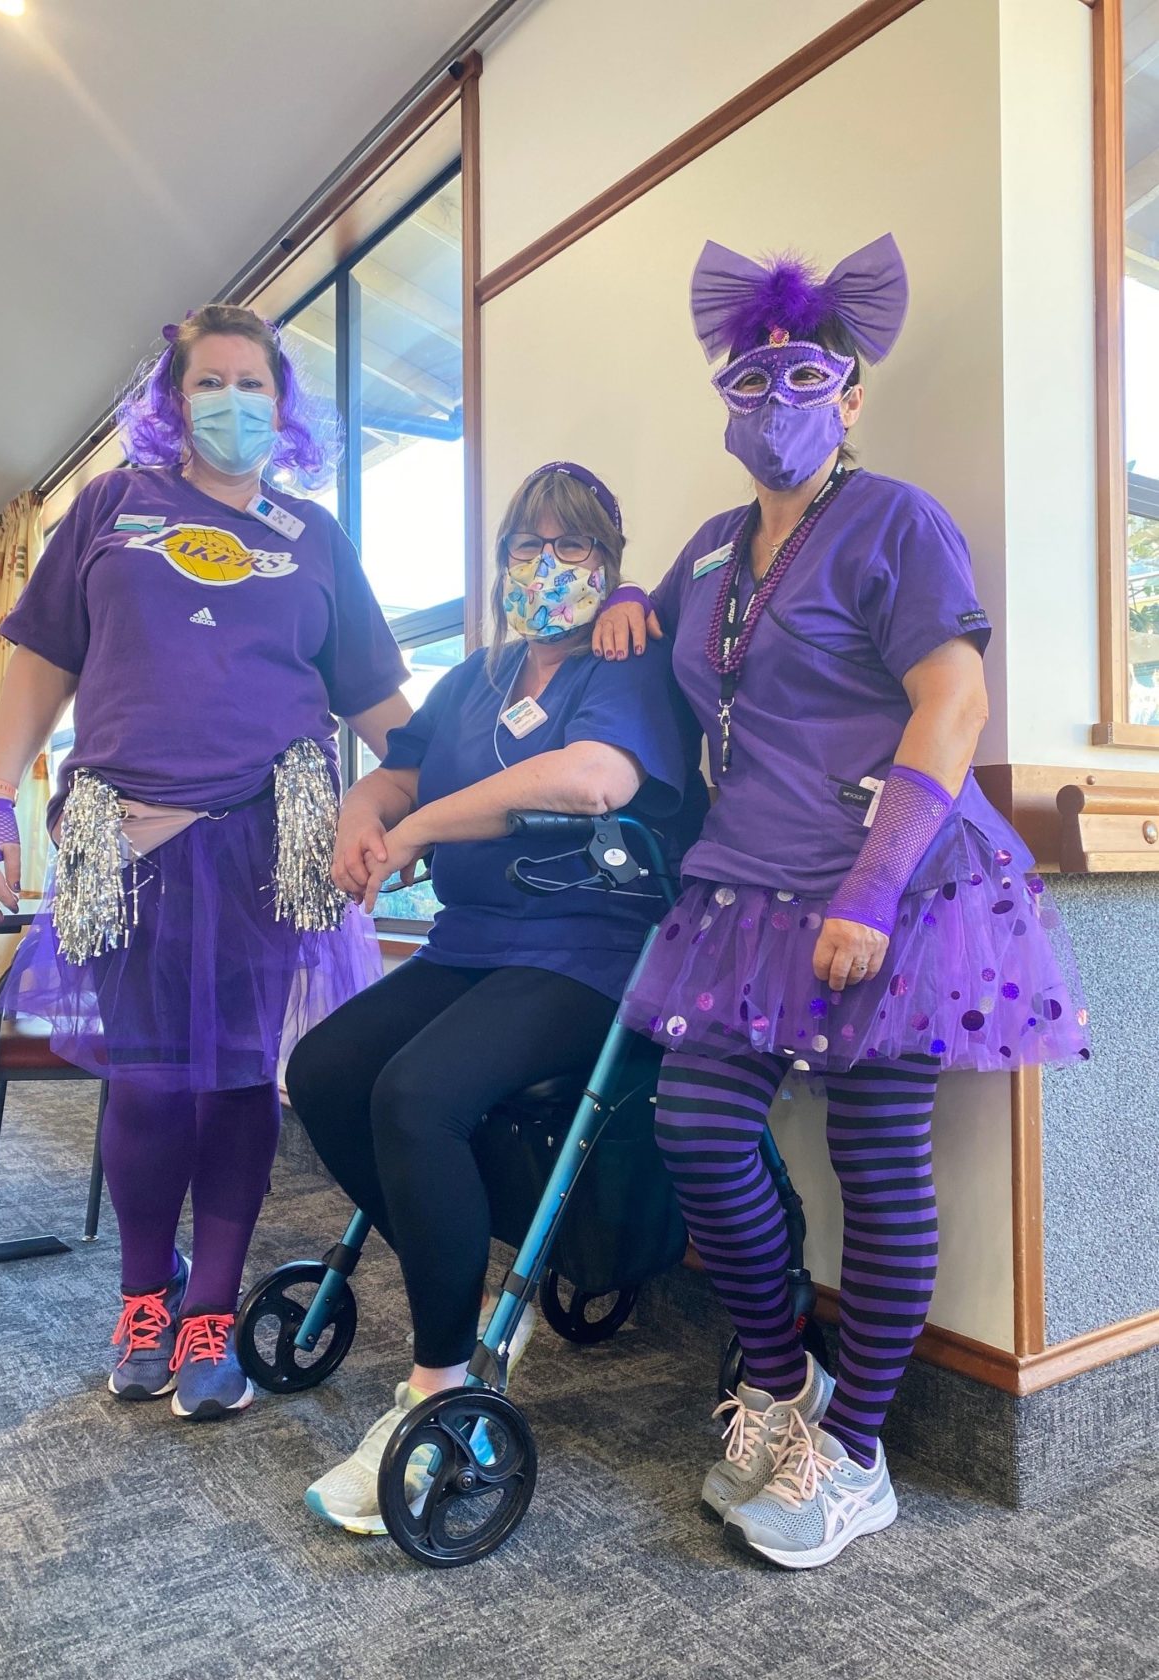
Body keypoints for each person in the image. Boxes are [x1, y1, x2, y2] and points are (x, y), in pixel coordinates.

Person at [593, 235, 1088, 1568]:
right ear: (725, 393)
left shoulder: (898, 521)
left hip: (898, 889)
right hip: (743, 891)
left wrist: (871, 887)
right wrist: (631, 601)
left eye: (807, 373)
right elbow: (702, 657)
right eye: (752, 374)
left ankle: (856, 1456)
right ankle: (777, 1379)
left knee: (878, 1166)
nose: (776, 397)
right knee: (696, 1125)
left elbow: (956, 701)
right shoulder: (707, 546)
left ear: (852, 395)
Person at [0, 305, 409, 1420]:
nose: (233, 403)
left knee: (236, 1078)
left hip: (270, 843)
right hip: (126, 840)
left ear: (284, 405)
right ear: (172, 402)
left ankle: (212, 1307)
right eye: (210, 383)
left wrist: (453, 787)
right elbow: (40, 663)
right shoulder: (110, 507)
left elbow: (387, 713)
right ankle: (142, 1296)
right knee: (148, 1079)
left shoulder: (314, 539)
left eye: (253, 384)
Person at [286, 461, 706, 1535]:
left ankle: (442, 1392)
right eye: (531, 547)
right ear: (501, 563)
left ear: (611, 572)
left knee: (417, 1097)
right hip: (471, 941)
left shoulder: (625, 661)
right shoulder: (476, 676)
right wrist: (363, 816)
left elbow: (595, 781)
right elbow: (402, 771)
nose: (550, 568)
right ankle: (468, 1282)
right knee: (326, 1072)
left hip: (586, 953)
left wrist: (419, 830)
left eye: (577, 551)